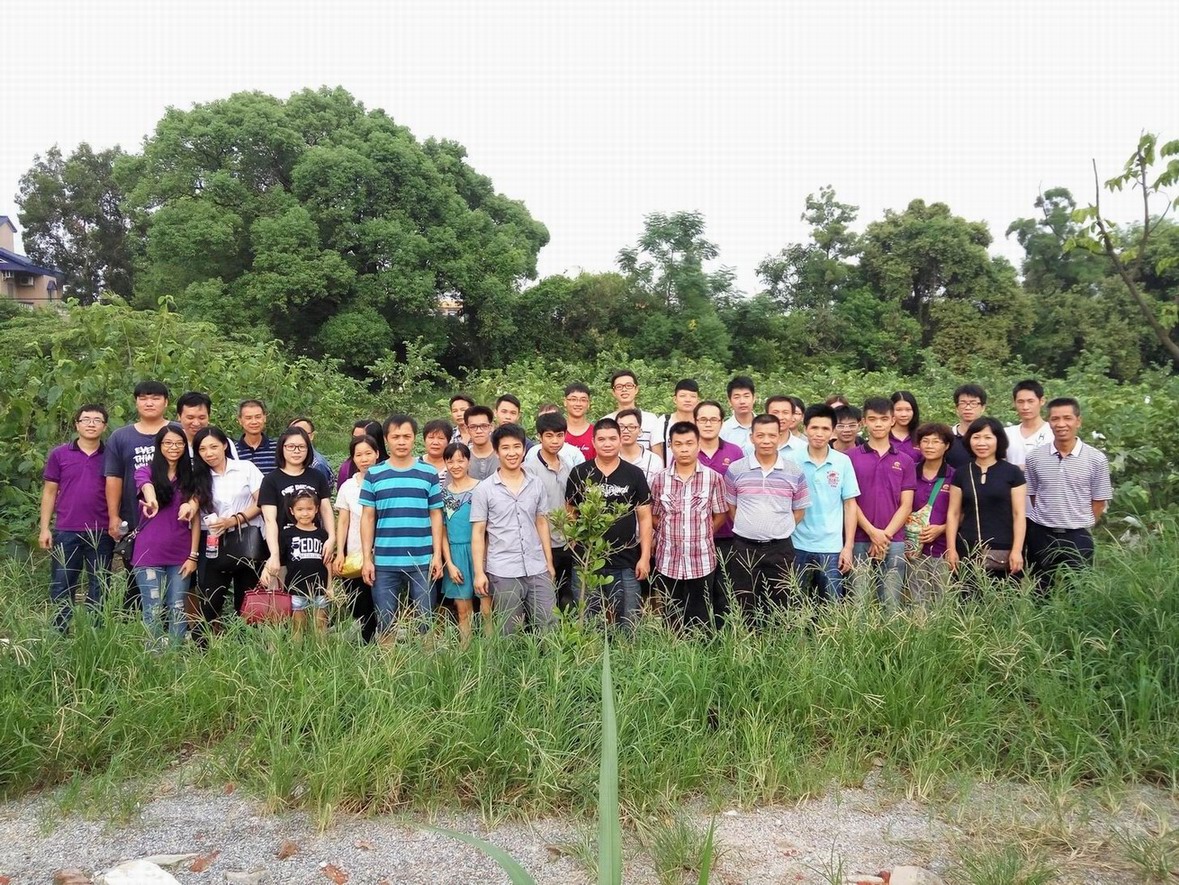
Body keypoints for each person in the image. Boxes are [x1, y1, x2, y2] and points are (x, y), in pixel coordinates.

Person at [360, 414, 444, 634]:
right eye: (395, 437)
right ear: (386, 439)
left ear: (414, 438)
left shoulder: (429, 473)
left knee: (425, 622)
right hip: (384, 560)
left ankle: (426, 656)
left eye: (406, 436)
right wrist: (367, 558)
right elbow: (368, 517)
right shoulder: (374, 474)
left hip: (422, 560)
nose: (401, 442)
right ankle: (387, 657)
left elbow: (436, 515)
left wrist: (437, 555)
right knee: (385, 623)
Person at [566, 418, 653, 631]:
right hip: (587, 561)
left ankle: (625, 651)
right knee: (589, 622)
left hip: (626, 560)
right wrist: (574, 543)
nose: (607, 443)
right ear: (593, 442)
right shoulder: (580, 473)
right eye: (602, 439)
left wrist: (644, 557)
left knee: (629, 622)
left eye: (612, 438)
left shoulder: (634, 474)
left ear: (620, 440)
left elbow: (645, 517)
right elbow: (570, 512)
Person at [723, 413, 811, 622]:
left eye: (772, 435)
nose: (766, 440)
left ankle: (779, 640)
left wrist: (779, 527)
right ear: (752, 437)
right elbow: (731, 507)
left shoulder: (794, 471)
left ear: (779, 437)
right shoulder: (736, 469)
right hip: (744, 547)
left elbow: (799, 510)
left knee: (782, 603)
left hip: (780, 548)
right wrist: (750, 526)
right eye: (760, 435)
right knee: (744, 602)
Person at [471, 425, 557, 635]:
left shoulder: (536, 484)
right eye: (506, 448)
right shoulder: (484, 489)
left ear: (524, 449)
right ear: (496, 451)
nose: (512, 453)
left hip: (537, 567)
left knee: (548, 626)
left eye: (517, 447)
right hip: (503, 570)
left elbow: (541, 522)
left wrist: (549, 562)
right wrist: (479, 573)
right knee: (508, 631)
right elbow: (478, 532)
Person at [1024, 398, 1113, 593]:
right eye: (1055, 419)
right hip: (1041, 534)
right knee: (1040, 590)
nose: (1061, 424)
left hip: (1078, 535)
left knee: (1079, 592)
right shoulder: (1034, 457)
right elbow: (1033, 495)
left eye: (1067, 418)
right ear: (1049, 422)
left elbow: (1099, 501)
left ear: (1078, 421)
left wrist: (1079, 522)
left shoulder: (1096, 459)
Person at [40, 403, 114, 631]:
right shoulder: (59, 454)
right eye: (86, 420)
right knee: (62, 583)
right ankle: (59, 633)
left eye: (97, 420)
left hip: (102, 531)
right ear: (76, 424)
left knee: (100, 585)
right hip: (67, 530)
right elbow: (50, 492)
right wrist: (45, 528)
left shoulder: (111, 455)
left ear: (104, 426)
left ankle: (95, 634)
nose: (91, 424)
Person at [650, 422, 728, 631]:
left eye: (689, 443)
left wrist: (704, 533)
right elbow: (654, 515)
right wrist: (667, 533)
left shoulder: (713, 478)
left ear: (698, 444)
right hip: (668, 560)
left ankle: (700, 649)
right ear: (670, 446)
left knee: (700, 617)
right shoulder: (659, 480)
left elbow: (721, 514)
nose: (684, 449)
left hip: (702, 559)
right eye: (678, 444)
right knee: (671, 616)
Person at [189, 426, 265, 629]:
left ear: (224, 445)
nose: (209, 453)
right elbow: (193, 504)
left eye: (213, 447)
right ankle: (204, 643)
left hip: (247, 540)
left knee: (247, 600)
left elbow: (261, 502)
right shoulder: (199, 477)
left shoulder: (245, 468)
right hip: (215, 543)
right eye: (202, 449)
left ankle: (246, 642)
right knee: (210, 599)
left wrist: (233, 521)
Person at [131, 423, 201, 641]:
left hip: (181, 554)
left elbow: (196, 518)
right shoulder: (146, 471)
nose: (174, 447)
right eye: (168, 443)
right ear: (159, 445)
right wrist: (152, 500)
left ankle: (174, 655)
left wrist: (193, 556)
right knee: (152, 607)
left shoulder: (191, 477)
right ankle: (152, 654)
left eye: (179, 443)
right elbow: (146, 487)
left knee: (178, 607)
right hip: (148, 553)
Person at [787, 405, 860, 603]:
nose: (819, 434)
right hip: (796, 543)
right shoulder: (790, 460)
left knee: (831, 604)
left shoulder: (842, 462)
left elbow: (850, 505)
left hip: (831, 546)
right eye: (814, 428)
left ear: (833, 431)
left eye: (825, 429)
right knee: (795, 603)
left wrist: (848, 547)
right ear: (805, 428)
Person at [945, 416, 1027, 589]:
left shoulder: (1013, 473)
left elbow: (1019, 514)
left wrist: (1017, 550)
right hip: (967, 547)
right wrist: (951, 549)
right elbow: (954, 513)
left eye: (988, 437)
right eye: (976, 437)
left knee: (1005, 599)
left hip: (1004, 549)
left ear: (998, 440)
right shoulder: (961, 473)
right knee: (967, 599)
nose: (981, 443)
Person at [849, 397, 915, 609]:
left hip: (893, 540)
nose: (878, 424)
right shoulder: (849, 458)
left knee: (891, 604)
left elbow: (906, 505)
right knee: (858, 603)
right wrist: (872, 532)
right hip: (859, 538)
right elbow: (849, 501)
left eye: (884, 419)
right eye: (872, 419)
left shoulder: (905, 460)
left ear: (893, 421)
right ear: (864, 422)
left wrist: (884, 536)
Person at [259, 427, 335, 587]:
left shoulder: (317, 476)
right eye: (291, 446)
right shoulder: (271, 480)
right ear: (282, 448)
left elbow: (326, 510)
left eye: (301, 446)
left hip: (314, 551)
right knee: (282, 598)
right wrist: (274, 555)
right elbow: (270, 520)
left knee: (317, 596)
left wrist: (331, 538)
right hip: (283, 550)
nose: (296, 451)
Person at [523, 411, 584, 611]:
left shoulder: (568, 465)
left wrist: (573, 534)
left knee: (566, 596)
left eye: (559, 435)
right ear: (539, 437)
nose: (555, 441)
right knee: (542, 599)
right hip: (540, 544)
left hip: (566, 543)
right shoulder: (529, 469)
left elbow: (572, 504)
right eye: (549, 435)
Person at [694, 400, 744, 625]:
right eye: (703, 419)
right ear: (695, 422)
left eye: (713, 419)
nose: (708, 424)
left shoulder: (735, 452)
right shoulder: (686, 450)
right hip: (695, 537)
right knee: (700, 591)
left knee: (725, 590)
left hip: (728, 534)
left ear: (722, 422)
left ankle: (725, 635)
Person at [105, 380, 170, 543]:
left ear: (166, 402)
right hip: (133, 518)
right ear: (136, 402)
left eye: (155, 398)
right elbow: (114, 478)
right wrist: (113, 516)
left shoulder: (178, 432)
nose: (149, 403)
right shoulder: (120, 437)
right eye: (143, 398)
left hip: (174, 517)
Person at [334, 433, 382, 642]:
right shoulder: (348, 486)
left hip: (384, 551)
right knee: (360, 599)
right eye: (358, 455)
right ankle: (365, 641)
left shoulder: (386, 480)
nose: (364, 459)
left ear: (377, 454)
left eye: (368, 453)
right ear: (352, 458)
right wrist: (340, 552)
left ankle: (382, 640)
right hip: (355, 552)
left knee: (381, 598)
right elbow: (343, 521)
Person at [440, 442, 486, 643]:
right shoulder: (443, 494)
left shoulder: (481, 488)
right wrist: (449, 564)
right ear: (445, 464)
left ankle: (491, 651)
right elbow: (442, 531)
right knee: (463, 610)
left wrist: (484, 559)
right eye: (451, 461)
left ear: (468, 461)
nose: (456, 465)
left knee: (487, 608)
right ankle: (465, 650)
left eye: (461, 460)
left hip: (480, 553)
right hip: (456, 555)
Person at [905, 423, 955, 604]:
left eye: (936, 442)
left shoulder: (954, 476)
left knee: (942, 600)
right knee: (917, 600)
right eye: (925, 441)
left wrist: (941, 528)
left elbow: (961, 513)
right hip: (912, 549)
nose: (930, 446)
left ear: (946, 446)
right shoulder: (909, 471)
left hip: (941, 548)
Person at [280, 489, 331, 635]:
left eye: (309, 509)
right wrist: (282, 588)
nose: (305, 513)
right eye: (300, 509)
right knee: (297, 628)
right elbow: (283, 564)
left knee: (321, 627)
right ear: (292, 511)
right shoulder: (286, 534)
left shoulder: (322, 534)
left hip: (319, 588)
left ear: (316, 509)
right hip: (296, 588)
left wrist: (330, 586)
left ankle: (321, 649)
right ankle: (297, 650)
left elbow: (328, 562)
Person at [605, 370, 665, 459]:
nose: (624, 389)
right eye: (619, 387)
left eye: (629, 386)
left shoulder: (651, 419)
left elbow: (657, 455)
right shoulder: (606, 421)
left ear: (636, 389)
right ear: (613, 392)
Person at [1004, 379, 1053, 467]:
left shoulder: (1053, 432)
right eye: (1020, 402)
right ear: (1014, 403)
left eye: (1030, 401)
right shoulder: (1007, 434)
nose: (1025, 407)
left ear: (1042, 401)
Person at [176, 392, 238, 459]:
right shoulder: (172, 444)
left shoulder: (222, 442)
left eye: (201, 418)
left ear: (209, 417)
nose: (196, 423)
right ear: (179, 416)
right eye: (190, 418)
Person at [617, 407, 664, 484]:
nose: (626, 431)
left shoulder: (654, 461)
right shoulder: (609, 458)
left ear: (640, 431)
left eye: (631, 427)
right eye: (621, 427)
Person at [946, 384, 987, 469]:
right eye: (963, 403)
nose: (968, 407)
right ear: (956, 408)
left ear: (983, 407)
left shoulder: (992, 437)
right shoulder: (947, 437)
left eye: (973, 403)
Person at [288, 417, 334, 491]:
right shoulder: (286, 459)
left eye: (303, 433)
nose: (297, 436)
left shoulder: (317, 464)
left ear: (312, 436)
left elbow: (321, 494)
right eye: (293, 433)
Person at [338, 420, 386, 488]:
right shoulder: (347, 468)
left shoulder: (391, 466)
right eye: (354, 438)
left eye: (363, 437)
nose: (358, 442)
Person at [235, 399, 278, 474]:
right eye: (248, 418)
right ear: (240, 420)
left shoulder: (277, 448)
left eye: (258, 417)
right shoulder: (233, 451)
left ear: (264, 418)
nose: (254, 422)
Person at [661, 379, 700, 452]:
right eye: (683, 396)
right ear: (675, 399)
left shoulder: (703, 423)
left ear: (698, 400)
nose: (688, 400)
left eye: (693, 396)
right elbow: (657, 453)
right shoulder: (663, 422)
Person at [463, 405, 499, 481]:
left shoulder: (503, 455)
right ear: (467, 429)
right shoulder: (462, 457)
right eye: (473, 427)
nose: (479, 431)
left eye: (484, 426)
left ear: (491, 427)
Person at [720, 376, 757, 448]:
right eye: (737, 397)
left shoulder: (765, 426)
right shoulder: (723, 430)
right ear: (729, 401)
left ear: (754, 398)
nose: (742, 401)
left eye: (746, 396)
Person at [562, 382, 595, 460]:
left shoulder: (596, 432)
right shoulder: (557, 432)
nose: (578, 404)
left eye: (583, 400)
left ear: (588, 403)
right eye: (573, 399)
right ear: (565, 402)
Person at [889, 391, 921, 463]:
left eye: (908, 410)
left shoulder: (922, 435)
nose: (904, 414)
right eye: (898, 410)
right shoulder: (883, 435)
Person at [420, 419, 453, 485]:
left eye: (441, 438)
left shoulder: (455, 466)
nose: (435, 442)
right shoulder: (414, 465)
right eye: (431, 437)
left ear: (448, 441)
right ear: (424, 440)